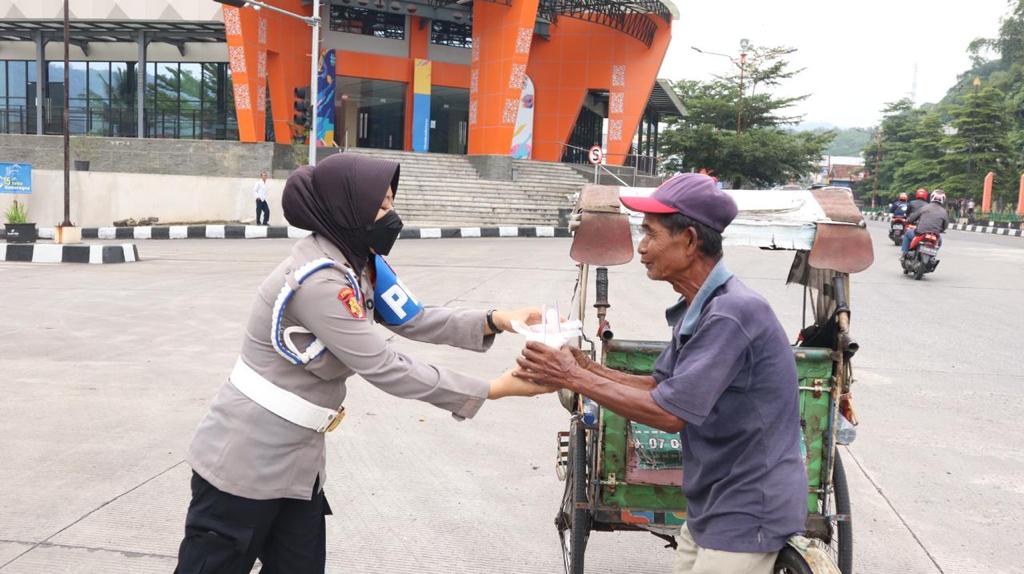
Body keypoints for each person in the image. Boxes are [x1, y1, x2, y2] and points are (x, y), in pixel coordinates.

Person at [176, 154, 552, 574]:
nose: (391, 217)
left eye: (390, 205)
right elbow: (384, 365)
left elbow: (413, 317)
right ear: (347, 207)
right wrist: (491, 389)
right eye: (383, 206)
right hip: (243, 462)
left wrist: (495, 319)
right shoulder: (319, 280)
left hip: (298, 466)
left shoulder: (359, 262)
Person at [516, 173, 807, 574]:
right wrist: (584, 367)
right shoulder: (702, 306)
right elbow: (659, 387)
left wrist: (574, 377)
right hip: (714, 503)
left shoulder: (732, 312)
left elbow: (669, 414)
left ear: (688, 240)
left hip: (748, 507)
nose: (642, 248)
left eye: (651, 235)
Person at [902, 189, 949, 256]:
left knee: (907, 234)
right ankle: (932, 256)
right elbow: (945, 226)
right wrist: (941, 230)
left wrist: (908, 221)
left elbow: (912, 218)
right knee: (940, 241)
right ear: (943, 199)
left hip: (920, 233)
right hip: (935, 234)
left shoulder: (925, 207)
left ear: (931, 197)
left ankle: (904, 253)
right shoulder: (944, 212)